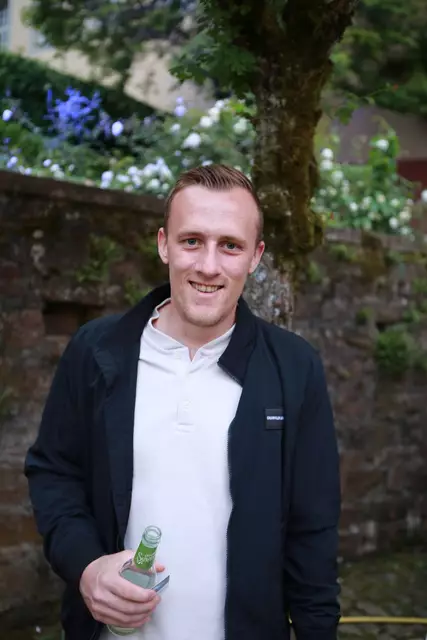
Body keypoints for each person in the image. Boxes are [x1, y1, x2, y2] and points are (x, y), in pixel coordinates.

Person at [24, 164, 341, 640]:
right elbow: (54, 472)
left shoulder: (295, 369)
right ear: (164, 245)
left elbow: (312, 530)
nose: (208, 265)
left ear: (255, 257)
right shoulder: (96, 351)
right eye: (192, 240)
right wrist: (86, 567)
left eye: (230, 245)